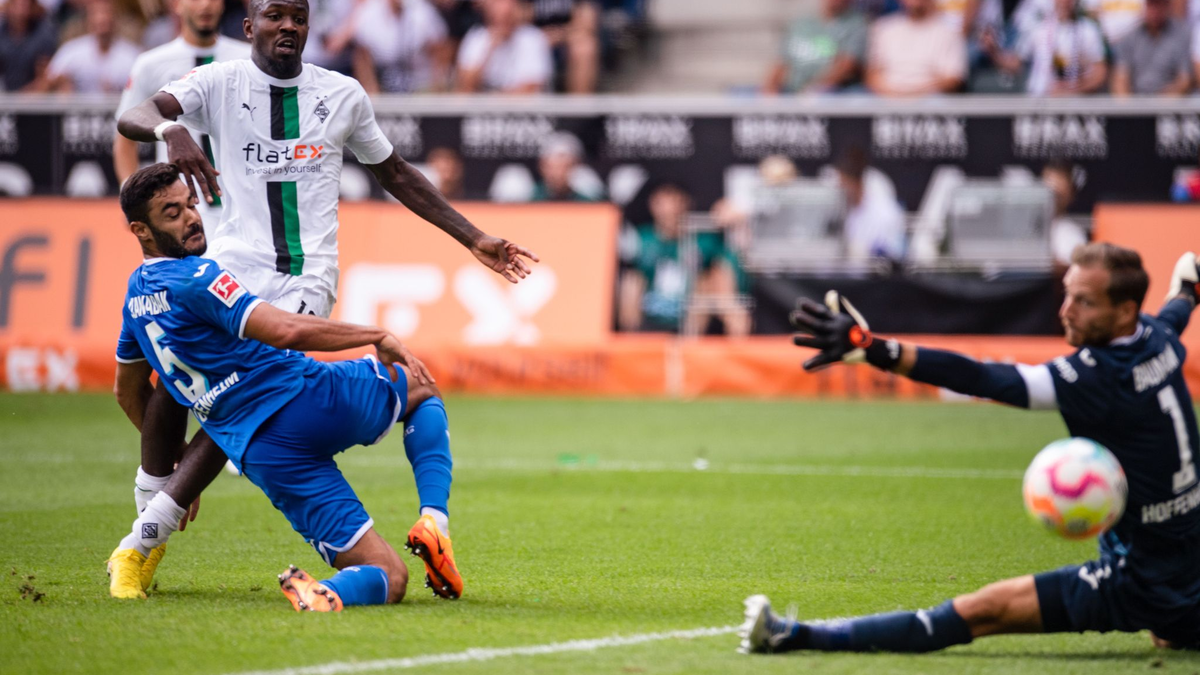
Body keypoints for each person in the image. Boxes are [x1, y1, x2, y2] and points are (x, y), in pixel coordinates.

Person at [114, 0, 539, 601]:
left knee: (239, 400)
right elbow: (132, 114)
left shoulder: (341, 95)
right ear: (250, 26)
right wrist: (171, 130)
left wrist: (473, 237)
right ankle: (145, 533)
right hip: (228, 269)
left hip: (305, 281)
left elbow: (395, 174)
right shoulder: (218, 82)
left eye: (299, 17)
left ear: (309, 27)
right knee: (175, 395)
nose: (288, 26)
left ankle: (141, 541)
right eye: (274, 16)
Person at [742, 242, 1200, 653]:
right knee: (1173, 632)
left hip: (1142, 576)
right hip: (1188, 557)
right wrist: (1187, 289)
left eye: (1084, 302)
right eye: (1067, 294)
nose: (1066, 310)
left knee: (981, 612)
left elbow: (981, 377)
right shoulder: (1156, 335)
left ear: (1123, 312)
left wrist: (874, 347)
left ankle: (793, 635)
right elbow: (1177, 307)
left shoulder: (1095, 376)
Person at [107, 164, 452, 610]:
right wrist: (376, 334)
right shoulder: (199, 277)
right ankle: (435, 522)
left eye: (191, 204)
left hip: (264, 456)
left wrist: (176, 459)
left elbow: (127, 391)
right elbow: (287, 330)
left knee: (389, 575)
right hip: (307, 399)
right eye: (171, 213)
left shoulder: (135, 297)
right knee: (421, 390)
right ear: (142, 230)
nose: (191, 217)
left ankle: (323, 593)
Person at [113, 0, 250, 209]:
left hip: (242, 203)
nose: (206, 5)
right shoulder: (150, 64)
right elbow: (125, 139)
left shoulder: (247, 59)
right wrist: (130, 196)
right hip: (178, 206)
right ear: (177, 4)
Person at [987, 0, 1109, 95]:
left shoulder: (1087, 30)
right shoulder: (1037, 28)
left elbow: (1100, 74)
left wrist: (1071, 91)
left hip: (1075, 104)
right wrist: (993, 51)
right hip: (1039, 102)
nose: (1064, 2)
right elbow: (1015, 64)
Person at [763, 0, 869, 94]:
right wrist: (770, 89)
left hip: (833, 92)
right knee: (749, 96)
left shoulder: (857, 24)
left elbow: (847, 65)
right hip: (793, 89)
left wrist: (815, 89)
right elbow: (781, 63)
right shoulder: (802, 22)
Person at [865, 0, 967, 96]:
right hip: (886, 96)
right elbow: (872, 75)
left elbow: (953, 80)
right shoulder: (883, 27)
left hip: (931, 98)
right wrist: (893, 95)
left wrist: (914, 95)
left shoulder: (948, 32)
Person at [40, 0, 139, 92]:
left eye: (106, 13)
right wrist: (60, 84)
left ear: (115, 18)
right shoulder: (71, 51)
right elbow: (45, 85)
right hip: (77, 110)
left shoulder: (131, 55)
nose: (102, 19)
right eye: (96, 14)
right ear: (88, 19)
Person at [455, 0, 552, 93]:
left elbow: (529, 90)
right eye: (500, 16)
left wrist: (493, 101)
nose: (504, 21)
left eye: (508, 16)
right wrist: (489, 50)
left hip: (521, 109)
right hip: (482, 107)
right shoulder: (476, 38)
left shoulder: (532, 38)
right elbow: (464, 87)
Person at [836, 148, 905, 261]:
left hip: (872, 275)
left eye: (844, 184)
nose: (839, 189)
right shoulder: (837, 211)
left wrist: (865, 253)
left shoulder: (885, 212)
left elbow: (894, 255)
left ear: (855, 183)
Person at [1111, 0, 1192, 96]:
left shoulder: (1182, 36)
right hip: (1135, 103)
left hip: (1171, 105)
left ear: (1167, 7)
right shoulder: (1130, 38)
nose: (1155, 11)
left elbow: (1185, 79)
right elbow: (1121, 77)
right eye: (1151, 6)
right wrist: (1126, 106)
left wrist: (1161, 103)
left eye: (1159, 6)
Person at [0, 0, 59, 91]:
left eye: (26, 5)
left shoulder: (44, 35)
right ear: (9, 6)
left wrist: (19, 100)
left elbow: (45, 78)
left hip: (33, 99)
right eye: (17, 5)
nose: (21, 11)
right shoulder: (1, 31)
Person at [1041, 159, 1088, 270]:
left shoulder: (1072, 233)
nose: (1051, 199)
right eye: (1047, 189)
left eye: (1058, 194)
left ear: (1071, 196)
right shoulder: (1019, 226)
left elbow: (1074, 269)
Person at [530, 131, 600, 202]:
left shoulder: (587, 196)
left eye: (565, 167)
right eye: (554, 167)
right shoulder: (531, 195)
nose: (559, 174)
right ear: (542, 167)